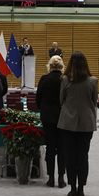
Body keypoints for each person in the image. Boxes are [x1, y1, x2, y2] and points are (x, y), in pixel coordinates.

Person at [57, 51, 97, 196]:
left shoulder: (65, 80)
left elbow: (61, 100)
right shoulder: (93, 81)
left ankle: (73, 188)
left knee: (70, 156)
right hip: (86, 124)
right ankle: (81, 189)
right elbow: (94, 101)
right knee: (83, 156)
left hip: (68, 123)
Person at [36, 55, 66, 188]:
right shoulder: (65, 80)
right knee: (62, 148)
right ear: (61, 66)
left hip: (47, 117)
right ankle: (61, 178)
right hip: (63, 117)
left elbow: (38, 99)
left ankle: (51, 178)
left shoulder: (44, 79)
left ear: (50, 66)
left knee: (50, 148)